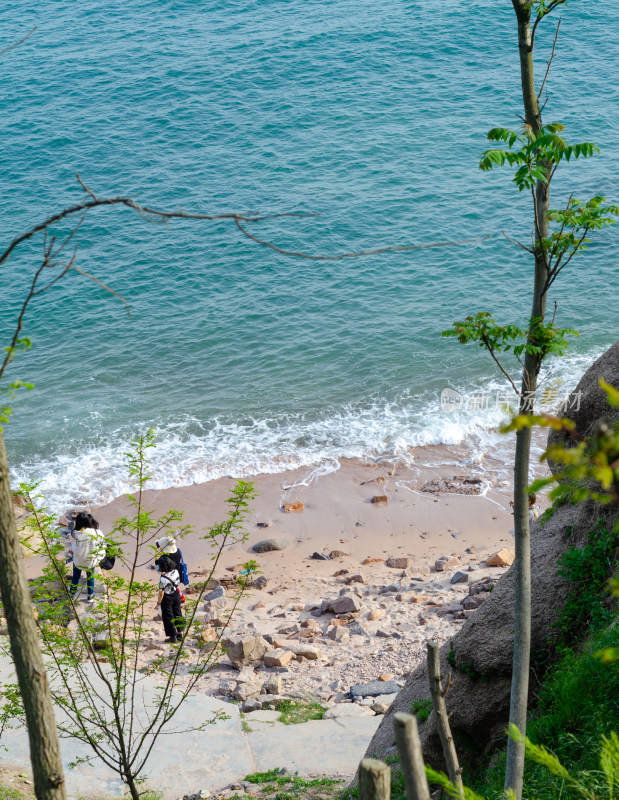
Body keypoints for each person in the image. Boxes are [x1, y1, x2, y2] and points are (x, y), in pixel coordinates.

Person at [67, 511, 105, 603]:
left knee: (75, 577)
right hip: (90, 561)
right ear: (88, 521)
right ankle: (90, 596)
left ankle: (72, 594)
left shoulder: (73, 534)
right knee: (90, 578)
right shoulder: (96, 532)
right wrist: (99, 558)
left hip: (78, 560)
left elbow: (73, 546)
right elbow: (101, 545)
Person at [156, 555, 184, 643]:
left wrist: (158, 603)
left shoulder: (162, 579)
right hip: (176, 594)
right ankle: (180, 633)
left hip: (167, 598)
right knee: (177, 613)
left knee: (168, 617)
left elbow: (161, 593)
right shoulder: (176, 571)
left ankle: (172, 636)